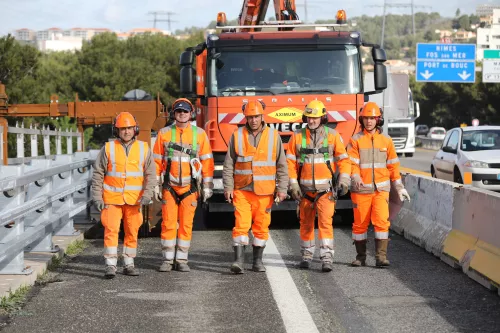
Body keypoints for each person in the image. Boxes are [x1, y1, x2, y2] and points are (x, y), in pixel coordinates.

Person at [223, 100, 289, 274]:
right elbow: (229, 164)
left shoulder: (274, 136)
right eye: (250, 117)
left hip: (265, 191)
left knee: (261, 226)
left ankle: (257, 262)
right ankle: (238, 261)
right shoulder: (236, 135)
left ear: (262, 116)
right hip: (242, 189)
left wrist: (282, 189)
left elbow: (282, 164)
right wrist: (228, 187)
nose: (253, 120)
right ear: (246, 117)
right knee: (241, 225)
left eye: (256, 117)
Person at [286, 100, 351, 272]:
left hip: (325, 191)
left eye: (315, 118)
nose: (312, 121)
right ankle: (306, 255)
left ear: (322, 118)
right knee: (305, 224)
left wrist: (344, 181)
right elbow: (290, 163)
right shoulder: (297, 136)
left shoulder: (333, 136)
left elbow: (344, 160)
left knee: (325, 224)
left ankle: (327, 258)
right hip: (304, 191)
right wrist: (293, 184)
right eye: (309, 117)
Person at [91, 112, 156, 279]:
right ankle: (110, 265)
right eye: (122, 129)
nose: (126, 132)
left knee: (132, 231)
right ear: (116, 131)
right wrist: (97, 197)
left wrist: (148, 194)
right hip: (111, 199)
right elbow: (98, 174)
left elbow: (151, 174)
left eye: (129, 128)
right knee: (111, 230)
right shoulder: (108, 148)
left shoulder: (144, 148)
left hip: (135, 200)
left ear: (135, 129)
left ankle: (129, 263)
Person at [153, 98, 214, 273]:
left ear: (191, 113)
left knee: (186, 224)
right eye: (179, 111)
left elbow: (207, 162)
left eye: (185, 111)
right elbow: (156, 161)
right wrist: (156, 185)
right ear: (174, 114)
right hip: (169, 186)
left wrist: (208, 186)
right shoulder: (163, 133)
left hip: (190, 187)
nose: (182, 114)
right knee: (168, 223)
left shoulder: (200, 134)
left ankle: (181, 259)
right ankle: (167, 259)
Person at [347, 101, 410, 267]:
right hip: (361, 190)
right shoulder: (355, 140)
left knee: (382, 222)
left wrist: (399, 187)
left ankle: (381, 257)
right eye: (366, 118)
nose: (369, 121)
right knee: (360, 225)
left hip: (381, 190)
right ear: (362, 120)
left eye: (372, 118)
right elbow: (351, 164)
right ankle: (360, 257)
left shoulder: (386, 141)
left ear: (378, 120)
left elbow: (393, 166)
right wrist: (355, 176)